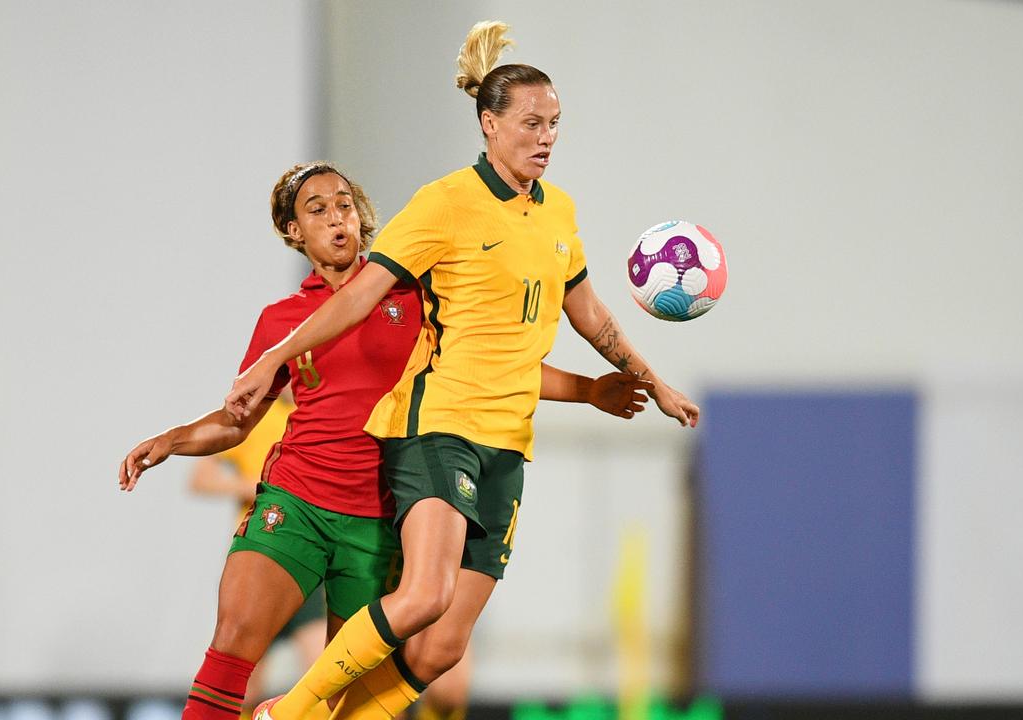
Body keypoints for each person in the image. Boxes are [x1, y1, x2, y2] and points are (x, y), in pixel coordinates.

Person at [224, 21, 700, 720]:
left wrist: (644, 381)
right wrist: (274, 356)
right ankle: (285, 714)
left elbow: (589, 314)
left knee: (442, 647)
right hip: (439, 430)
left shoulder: (559, 214)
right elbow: (359, 295)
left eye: (555, 124)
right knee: (424, 595)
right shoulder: (444, 203)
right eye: (532, 123)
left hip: (510, 443)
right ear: (489, 123)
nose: (546, 137)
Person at [119, 161, 655, 720]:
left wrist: (588, 389)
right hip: (296, 501)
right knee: (234, 641)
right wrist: (172, 441)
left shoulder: (414, 296)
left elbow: (489, 369)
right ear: (294, 231)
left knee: (343, 697)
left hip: (380, 521)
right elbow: (237, 420)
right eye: (318, 209)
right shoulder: (282, 322)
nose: (337, 219)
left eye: (345, 204)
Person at [188, 390, 328, 711]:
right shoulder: (257, 416)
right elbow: (201, 479)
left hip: (310, 562)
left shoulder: (323, 419)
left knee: (322, 675)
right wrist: (260, 486)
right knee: (244, 688)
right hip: (260, 562)